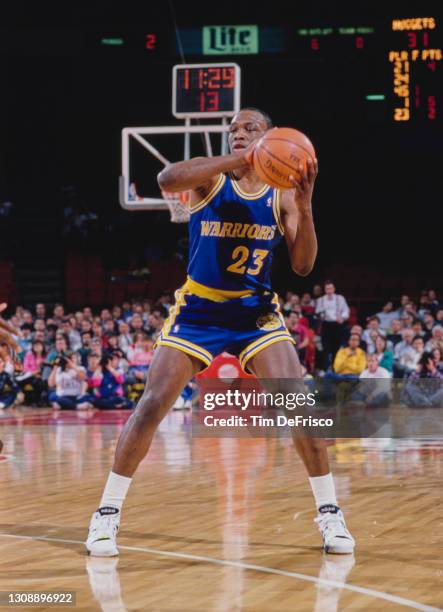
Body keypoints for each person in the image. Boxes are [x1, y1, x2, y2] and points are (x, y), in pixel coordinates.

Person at [86, 108, 354, 556]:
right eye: (233, 130)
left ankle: (329, 514)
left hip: (255, 313)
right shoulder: (211, 178)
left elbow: (304, 265)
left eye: (250, 129)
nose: (239, 134)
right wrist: (241, 159)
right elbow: (167, 179)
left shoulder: (281, 192)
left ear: (272, 136)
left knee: (299, 404)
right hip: (198, 310)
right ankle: (106, 515)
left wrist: (305, 207)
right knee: (152, 404)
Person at [315, 281, 350, 368]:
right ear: (325, 290)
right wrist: (321, 314)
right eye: (327, 289)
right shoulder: (320, 300)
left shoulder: (340, 298)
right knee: (325, 347)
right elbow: (317, 312)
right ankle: (325, 368)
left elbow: (346, 310)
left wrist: (342, 317)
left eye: (330, 288)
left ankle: (335, 367)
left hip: (337, 325)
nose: (329, 290)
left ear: (334, 289)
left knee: (336, 347)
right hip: (326, 325)